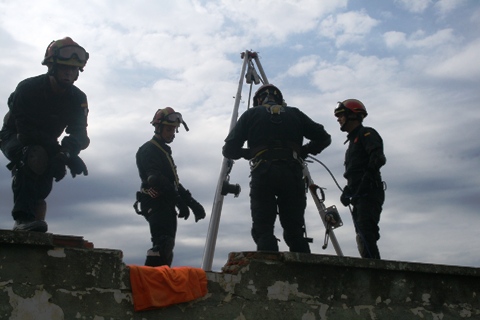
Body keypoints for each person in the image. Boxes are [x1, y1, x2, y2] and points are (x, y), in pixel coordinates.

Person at [222, 84, 331, 253]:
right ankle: (305, 275)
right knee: (295, 231)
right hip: (292, 174)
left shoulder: (251, 115)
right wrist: (303, 151)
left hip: (263, 172)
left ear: (258, 100)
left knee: (263, 230)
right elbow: (324, 138)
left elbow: (229, 150)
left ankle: (268, 274)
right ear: (280, 100)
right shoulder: (295, 114)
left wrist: (250, 153)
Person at [0, 37, 90, 233]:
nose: (69, 72)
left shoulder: (78, 98)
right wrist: (57, 152)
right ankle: (22, 218)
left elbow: (79, 135)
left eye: (74, 69)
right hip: (14, 135)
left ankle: (35, 222)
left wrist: (66, 154)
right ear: (51, 66)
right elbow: (26, 134)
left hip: (46, 142)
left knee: (47, 168)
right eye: (65, 67)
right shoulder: (27, 88)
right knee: (34, 156)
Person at [135, 107, 206, 267]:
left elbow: (173, 183)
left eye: (174, 129)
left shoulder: (163, 150)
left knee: (167, 245)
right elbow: (155, 179)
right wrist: (179, 201)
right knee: (162, 243)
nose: (172, 133)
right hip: (155, 201)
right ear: (158, 128)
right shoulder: (149, 149)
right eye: (169, 129)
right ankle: (151, 280)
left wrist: (192, 203)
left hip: (165, 202)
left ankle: (160, 279)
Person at [334, 99, 386, 259]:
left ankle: (376, 273)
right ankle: (371, 267)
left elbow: (378, 158)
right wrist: (348, 191)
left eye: (342, 115)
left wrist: (366, 182)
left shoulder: (366, 134)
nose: (339, 119)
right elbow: (354, 172)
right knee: (361, 234)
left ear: (352, 115)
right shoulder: (351, 144)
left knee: (366, 231)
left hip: (370, 193)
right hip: (358, 196)